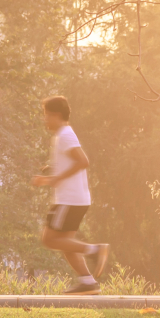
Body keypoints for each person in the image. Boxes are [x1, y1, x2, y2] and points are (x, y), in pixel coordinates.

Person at [30, 95, 109, 294]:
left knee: (49, 239)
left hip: (69, 199)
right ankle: (87, 282)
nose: (44, 119)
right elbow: (72, 160)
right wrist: (52, 168)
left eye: (46, 115)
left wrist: (52, 180)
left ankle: (95, 250)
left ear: (56, 115)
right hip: (75, 199)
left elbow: (83, 161)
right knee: (67, 243)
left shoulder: (65, 134)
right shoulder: (63, 135)